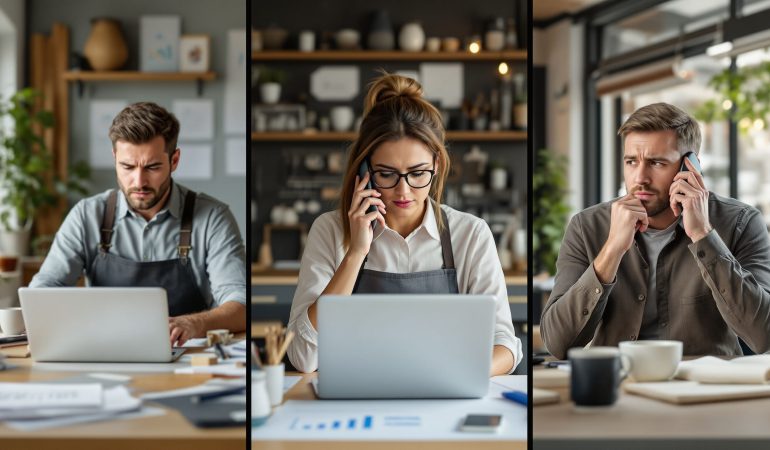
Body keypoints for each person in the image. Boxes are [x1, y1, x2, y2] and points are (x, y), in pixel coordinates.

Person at [287, 73, 521, 375]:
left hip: (444, 396)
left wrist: (454, 373)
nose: (404, 190)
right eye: (386, 174)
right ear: (365, 169)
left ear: (437, 164)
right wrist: (356, 253)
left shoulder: (470, 235)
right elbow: (303, 357)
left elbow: (505, 345)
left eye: (418, 173)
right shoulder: (329, 231)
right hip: (353, 405)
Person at [541, 102, 770, 359]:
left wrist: (703, 236)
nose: (640, 178)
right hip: (618, 386)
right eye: (631, 161)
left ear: (690, 167)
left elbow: (763, 336)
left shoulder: (742, 223)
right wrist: (612, 249)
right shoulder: (587, 226)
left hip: (704, 388)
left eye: (657, 163)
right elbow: (557, 343)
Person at [30, 102, 246, 346]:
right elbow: (43, 291)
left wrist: (193, 323)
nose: (139, 181)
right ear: (115, 159)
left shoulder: (213, 218)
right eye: (127, 167)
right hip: (102, 353)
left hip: (187, 357)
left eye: (152, 167)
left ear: (174, 161)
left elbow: (240, 304)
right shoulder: (86, 215)